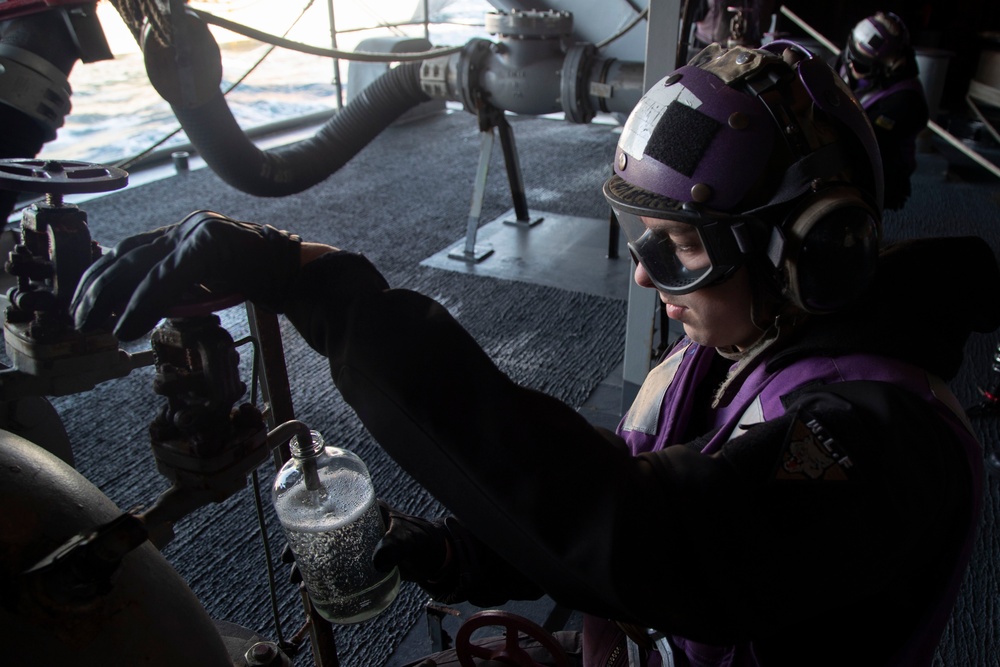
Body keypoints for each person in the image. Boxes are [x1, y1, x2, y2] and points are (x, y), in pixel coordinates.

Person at [70, 42, 1000, 666]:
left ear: (809, 252)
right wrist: (450, 552)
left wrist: (324, 289)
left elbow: (635, 531)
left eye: (676, 249)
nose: (643, 279)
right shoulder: (742, 347)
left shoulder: (883, 444)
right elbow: (608, 476)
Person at [836, 11, 930, 211]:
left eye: (859, 63)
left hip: (880, 162)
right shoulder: (852, 59)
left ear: (886, 67)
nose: (850, 63)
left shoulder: (906, 101)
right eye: (850, 53)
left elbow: (865, 140)